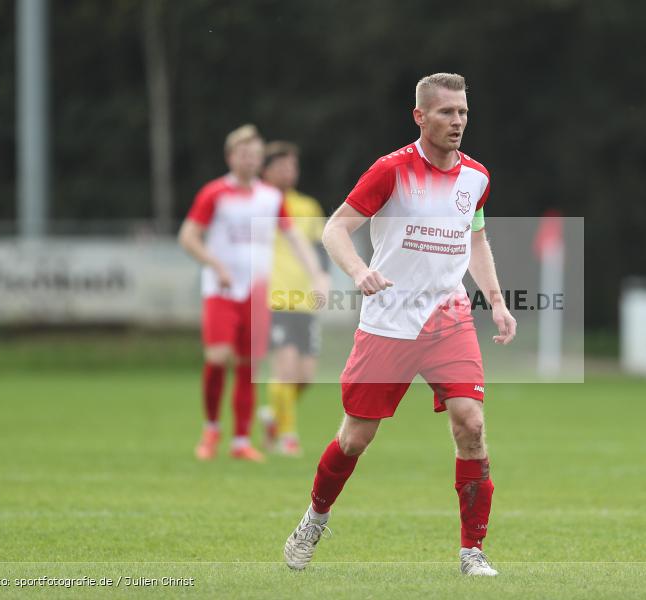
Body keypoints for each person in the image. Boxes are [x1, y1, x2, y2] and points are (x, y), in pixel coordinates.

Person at [283, 73, 516, 576]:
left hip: (449, 318)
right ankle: (314, 518)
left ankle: (472, 552)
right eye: (446, 113)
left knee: (471, 426)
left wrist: (495, 301)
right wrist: (360, 271)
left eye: (463, 113)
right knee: (354, 440)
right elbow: (335, 229)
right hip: (388, 320)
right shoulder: (391, 170)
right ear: (420, 116)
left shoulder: (477, 177)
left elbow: (476, 241)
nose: (457, 122)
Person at [179, 124, 327, 463]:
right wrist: (214, 264)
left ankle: (241, 440)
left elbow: (293, 238)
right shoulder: (214, 193)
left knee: (248, 366)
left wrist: (317, 272)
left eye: (254, 154)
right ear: (231, 157)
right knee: (217, 359)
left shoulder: (270, 198)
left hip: (257, 293)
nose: (249, 159)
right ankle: (212, 428)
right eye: (243, 154)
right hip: (221, 290)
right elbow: (188, 236)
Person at [258, 141, 327, 457]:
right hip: (273, 297)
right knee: (284, 369)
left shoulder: (308, 207)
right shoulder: (259, 203)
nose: (289, 172)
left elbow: (319, 248)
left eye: (293, 166)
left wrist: (321, 280)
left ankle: (273, 415)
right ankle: (287, 436)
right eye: (282, 166)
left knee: (305, 376)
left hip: (304, 300)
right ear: (266, 170)